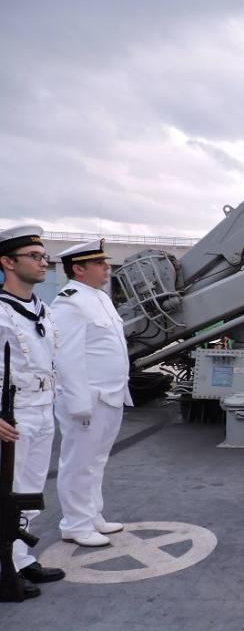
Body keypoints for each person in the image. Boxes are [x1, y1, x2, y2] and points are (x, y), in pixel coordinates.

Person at [52, 239, 132, 548]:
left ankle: (92, 514)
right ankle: (74, 523)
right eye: (99, 263)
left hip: (111, 394)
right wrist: (78, 403)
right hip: (88, 398)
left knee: (96, 460)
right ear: (79, 269)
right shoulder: (69, 301)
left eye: (105, 262)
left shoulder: (100, 298)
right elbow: (66, 356)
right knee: (78, 461)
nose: (106, 267)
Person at [0, 226, 65, 597]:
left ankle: (20, 558)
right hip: (13, 413)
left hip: (43, 408)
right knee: (5, 492)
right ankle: (2, 565)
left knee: (29, 490)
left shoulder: (42, 309)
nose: (43, 263)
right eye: (34, 257)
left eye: (44, 257)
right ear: (8, 262)